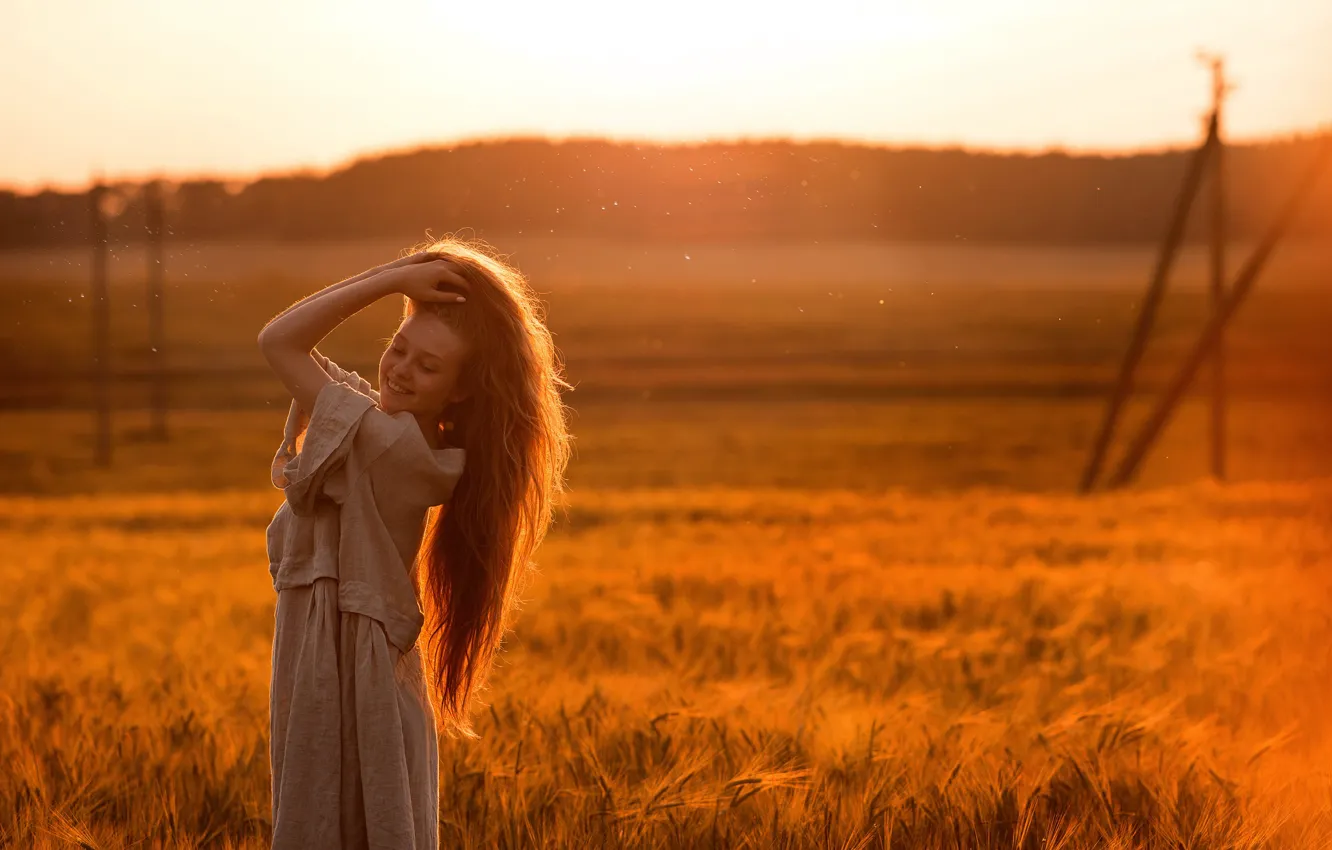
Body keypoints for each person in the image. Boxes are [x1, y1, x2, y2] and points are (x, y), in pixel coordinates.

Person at [257, 239, 572, 848]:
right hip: (345, 654)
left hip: (346, 665)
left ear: (458, 392)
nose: (400, 369)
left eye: (427, 367)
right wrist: (403, 282)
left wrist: (393, 279)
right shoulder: (384, 429)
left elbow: (279, 341)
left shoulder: (386, 445)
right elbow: (294, 346)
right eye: (398, 348)